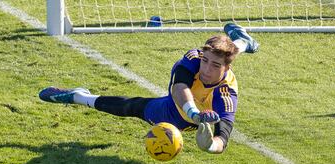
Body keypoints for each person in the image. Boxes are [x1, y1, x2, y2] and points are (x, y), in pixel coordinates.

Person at [39, 23, 259, 154]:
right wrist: (194, 114)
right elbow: (179, 87)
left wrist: (210, 145)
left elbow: (224, 136)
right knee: (133, 107)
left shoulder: (226, 94)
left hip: (201, 115)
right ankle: (79, 96)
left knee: (228, 52)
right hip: (178, 109)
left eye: (216, 65)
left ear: (226, 68)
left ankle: (243, 42)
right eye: (206, 61)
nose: (207, 69)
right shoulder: (194, 59)